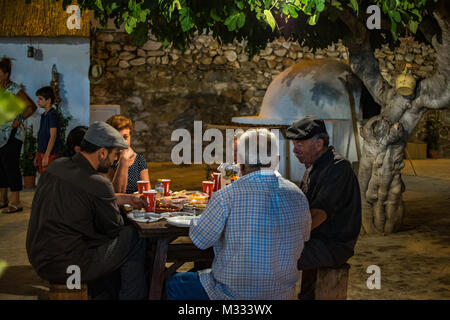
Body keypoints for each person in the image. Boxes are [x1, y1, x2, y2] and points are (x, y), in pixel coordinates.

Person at [166, 129, 311, 300]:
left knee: (175, 283)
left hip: (232, 294)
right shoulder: (298, 195)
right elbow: (305, 236)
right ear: (276, 161)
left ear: (240, 164)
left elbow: (201, 240)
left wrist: (196, 220)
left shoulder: (227, 196)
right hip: (281, 293)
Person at [26, 121, 148, 300]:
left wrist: (121, 198)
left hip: (40, 258)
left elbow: (81, 196)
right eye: (115, 154)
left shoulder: (56, 166)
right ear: (102, 153)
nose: (115, 159)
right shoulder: (98, 184)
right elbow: (113, 229)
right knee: (132, 237)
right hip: (67, 268)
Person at [285, 115, 362, 300]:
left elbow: (318, 214)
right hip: (316, 240)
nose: (294, 150)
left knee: (275, 255)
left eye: (299, 144)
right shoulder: (314, 166)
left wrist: (286, 235)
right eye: (294, 144)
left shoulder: (338, 167)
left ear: (319, 144)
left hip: (333, 245)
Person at [0, 57, 37, 214]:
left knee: (11, 166)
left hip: (13, 133)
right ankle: (3, 199)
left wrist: (19, 119)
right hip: (1, 133)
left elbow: (31, 106)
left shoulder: (14, 89)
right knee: (0, 166)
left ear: (6, 74)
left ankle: (16, 202)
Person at [105, 115, 150, 194]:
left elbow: (147, 192)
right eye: (117, 138)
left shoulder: (139, 160)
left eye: (125, 137)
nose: (122, 142)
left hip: (136, 205)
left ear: (130, 136)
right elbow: (114, 194)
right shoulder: (106, 160)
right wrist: (124, 159)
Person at [34, 86, 61, 174]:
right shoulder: (44, 115)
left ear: (48, 100)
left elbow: (53, 136)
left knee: (48, 179)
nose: (38, 101)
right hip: (41, 151)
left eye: (40, 99)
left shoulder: (52, 115)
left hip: (49, 153)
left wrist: (46, 155)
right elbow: (41, 135)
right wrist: (37, 154)